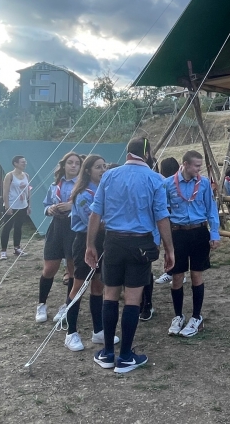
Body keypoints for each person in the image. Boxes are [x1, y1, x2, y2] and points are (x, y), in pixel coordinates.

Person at [86, 137, 174, 373]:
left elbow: (95, 213)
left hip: (113, 241)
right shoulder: (155, 179)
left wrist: (90, 245)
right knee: (132, 300)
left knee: (110, 296)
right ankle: (125, 356)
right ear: (147, 153)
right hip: (140, 243)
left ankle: (107, 353)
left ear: (128, 153)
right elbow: (161, 217)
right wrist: (169, 249)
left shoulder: (109, 176)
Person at [63, 155, 118, 352]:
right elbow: (94, 222)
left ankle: (98, 330)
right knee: (79, 287)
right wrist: (119, 218)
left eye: (104, 166)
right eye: (98, 167)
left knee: (98, 286)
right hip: (85, 242)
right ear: (87, 171)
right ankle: (71, 333)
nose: (103, 170)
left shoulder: (105, 190)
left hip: (103, 242)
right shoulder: (83, 195)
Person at [164, 150, 220, 337]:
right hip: (178, 234)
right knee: (177, 276)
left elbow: (211, 209)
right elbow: (163, 212)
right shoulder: (168, 184)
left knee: (197, 274)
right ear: (185, 164)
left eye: (200, 166)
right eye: (196, 166)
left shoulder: (203, 183)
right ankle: (178, 316)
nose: (199, 169)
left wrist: (214, 233)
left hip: (199, 232)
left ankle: (196, 317)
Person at [35, 152, 82, 323]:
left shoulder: (83, 186)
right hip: (56, 227)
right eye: (70, 162)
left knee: (72, 269)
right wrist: (49, 209)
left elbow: (90, 206)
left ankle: (67, 306)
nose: (73, 165)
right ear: (64, 165)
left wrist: (72, 206)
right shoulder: (55, 185)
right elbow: (46, 205)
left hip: (74, 228)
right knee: (49, 268)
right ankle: (41, 304)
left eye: (77, 163)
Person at [154, 157, 183, 287]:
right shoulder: (167, 182)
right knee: (170, 246)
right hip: (172, 218)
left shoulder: (171, 183)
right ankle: (173, 272)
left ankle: (173, 273)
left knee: (172, 246)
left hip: (173, 219)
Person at [0, 155, 31, 259]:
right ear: (16, 164)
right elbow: (5, 192)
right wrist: (7, 206)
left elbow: (28, 191)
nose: (25, 164)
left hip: (23, 205)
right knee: (7, 227)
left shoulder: (26, 175)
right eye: (22, 162)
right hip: (12, 205)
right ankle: (3, 251)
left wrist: (29, 205)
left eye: (25, 162)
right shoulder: (10, 176)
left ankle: (17, 248)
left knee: (18, 227)